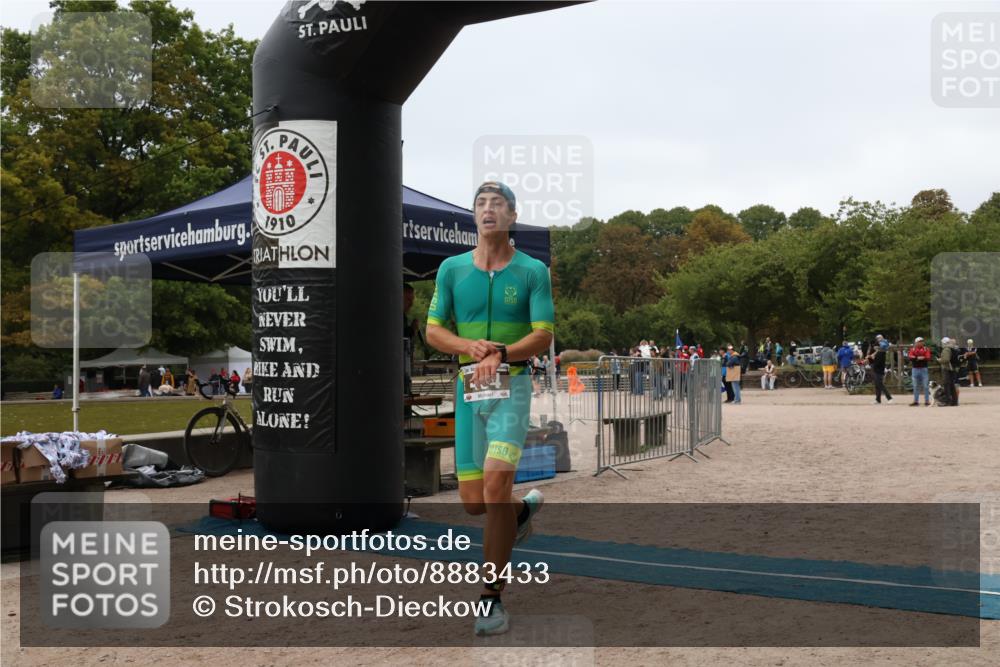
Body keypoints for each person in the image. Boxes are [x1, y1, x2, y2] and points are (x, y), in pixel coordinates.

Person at [425, 181, 554, 636]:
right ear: (473, 215)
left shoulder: (532, 270)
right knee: (475, 505)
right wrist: (469, 346)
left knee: (497, 487)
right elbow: (433, 329)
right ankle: (518, 516)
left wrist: (501, 350)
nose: (487, 210)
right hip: (467, 389)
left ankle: (490, 599)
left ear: (512, 215)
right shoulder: (452, 269)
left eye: (497, 204)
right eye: (480, 204)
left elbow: (543, 334)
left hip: (512, 389)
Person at [867, 335, 893, 405]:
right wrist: (871, 357)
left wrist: (873, 358)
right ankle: (878, 399)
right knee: (877, 384)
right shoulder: (878, 352)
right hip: (876, 369)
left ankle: (889, 398)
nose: (875, 348)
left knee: (880, 384)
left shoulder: (881, 351)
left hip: (879, 369)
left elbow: (878, 362)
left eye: (876, 347)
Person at [907, 337, 932, 406]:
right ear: (916, 343)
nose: (921, 343)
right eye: (919, 341)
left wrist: (916, 357)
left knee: (926, 386)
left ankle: (927, 401)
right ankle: (916, 401)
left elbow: (928, 357)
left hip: (924, 369)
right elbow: (910, 357)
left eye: (922, 341)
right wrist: (918, 357)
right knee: (915, 386)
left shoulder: (926, 349)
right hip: (915, 369)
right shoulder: (913, 349)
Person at [938, 337, 960, 406]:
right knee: (952, 386)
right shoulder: (953, 348)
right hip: (952, 369)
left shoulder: (946, 349)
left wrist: (939, 360)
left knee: (946, 385)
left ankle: (947, 401)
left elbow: (946, 360)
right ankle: (954, 402)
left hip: (947, 369)